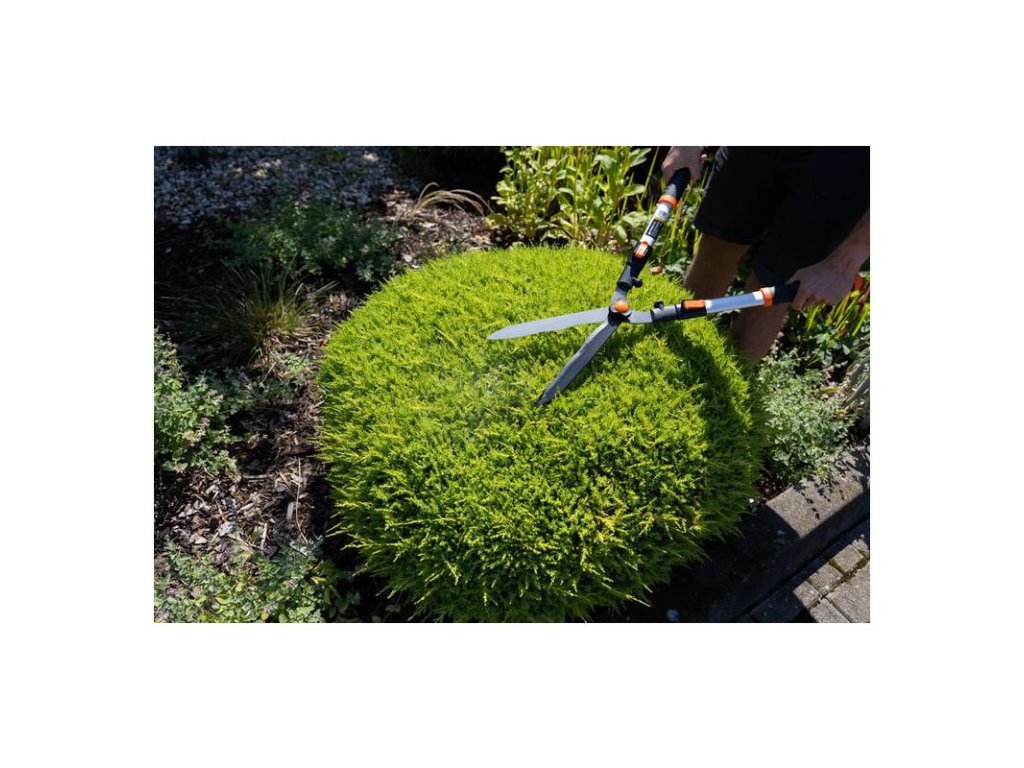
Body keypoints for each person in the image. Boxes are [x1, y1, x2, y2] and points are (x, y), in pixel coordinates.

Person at [661, 146, 870, 363]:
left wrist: (844, 264)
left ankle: (719, 380)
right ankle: (670, 349)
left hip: (845, 161)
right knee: (716, 244)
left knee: (775, 286)